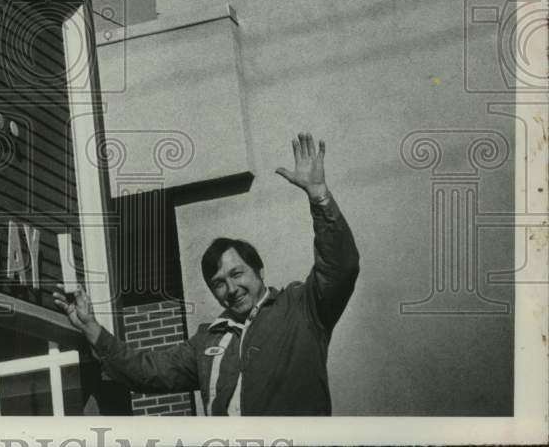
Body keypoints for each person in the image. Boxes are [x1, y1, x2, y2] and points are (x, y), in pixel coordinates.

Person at [53, 132, 359, 416]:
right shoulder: (207, 341)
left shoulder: (302, 308)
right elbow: (149, 371)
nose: (231, 288)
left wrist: (320, 198)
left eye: (237, 273)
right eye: (219, 283)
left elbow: (340, 267)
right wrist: (92, 328)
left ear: (259, 270)